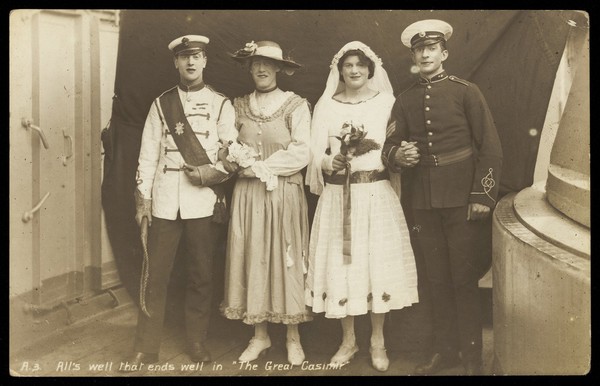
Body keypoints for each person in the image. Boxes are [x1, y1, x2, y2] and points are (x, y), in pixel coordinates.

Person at [383, 20, 503, 375]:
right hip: (423, 201)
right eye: (419, 50)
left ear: (443, 53)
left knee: (463, 280)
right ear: (413, 56)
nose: (424, 54)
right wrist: (397, 157)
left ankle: (471, 359)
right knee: (435, 279)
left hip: (464, 199)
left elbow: (490, 149)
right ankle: (444, 353)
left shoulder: (467, 92)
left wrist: (482, 194)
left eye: (431, 48)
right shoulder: (404, 100)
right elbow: (389, 146)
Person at [124, 35, 238, 370]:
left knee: (201, 274)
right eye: (184, 57)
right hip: (164, 198)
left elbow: (231, 156)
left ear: (205, 61)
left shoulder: (220, 104)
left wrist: (206, 175)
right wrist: (142, 198)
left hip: (201, 200)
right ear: (175, 62)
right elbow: (148, 155)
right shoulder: (161, 104)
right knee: (155, 275)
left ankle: (196, 341)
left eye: (197, 56)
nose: (190, 62)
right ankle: (146, 347)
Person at [305, 41, 419, 372]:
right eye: (348, 65)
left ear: (371, 69)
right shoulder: (326, 105)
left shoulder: (386, 102)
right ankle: (349, 340)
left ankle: (378, 341)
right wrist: (331, 161)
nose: (354, 70)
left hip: (375, 193)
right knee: (344, 265)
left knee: (375, 264)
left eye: (360, 64)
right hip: (338, 197)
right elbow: (314, 154)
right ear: (339, 70)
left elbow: (394, 146)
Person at [219, 40, 312, 366]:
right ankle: (259, 336)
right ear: (249, 67)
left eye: (268, 64)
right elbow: (227, 144)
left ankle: (292, 337)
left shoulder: (295, 105)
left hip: (282, 192)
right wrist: (235, 160)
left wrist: (260, 167)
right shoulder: (238, 105)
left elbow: (302, 152)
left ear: (279, 68)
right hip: (248, 196)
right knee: (253, 257)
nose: (261, 69)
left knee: (285, 260)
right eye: (255, 63)